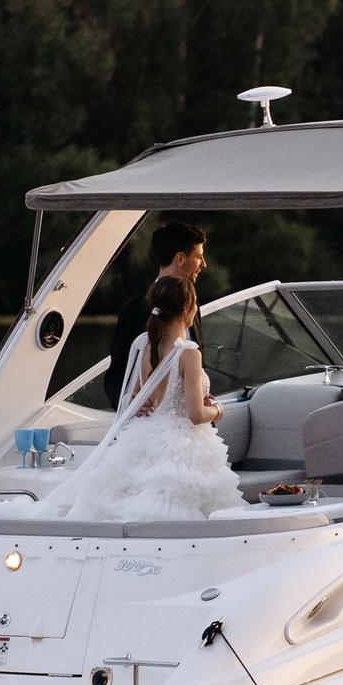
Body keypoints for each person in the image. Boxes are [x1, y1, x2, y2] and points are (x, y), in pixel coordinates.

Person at [58, 276, 243, 522]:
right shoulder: (188, 353)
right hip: (181, 447)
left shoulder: (145, 346)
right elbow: (196, 415)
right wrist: (219, 409)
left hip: (144, 436)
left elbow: (134, 397)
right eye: (195, 303)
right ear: (187, 308)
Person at [105, 221, 206, 407]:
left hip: (190, 428)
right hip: (148, 425)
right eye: (199, 257)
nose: (204, 264)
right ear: (181, 258)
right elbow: (116, 372)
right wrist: (128, 403)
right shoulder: (134, 309)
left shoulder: (192, 306)